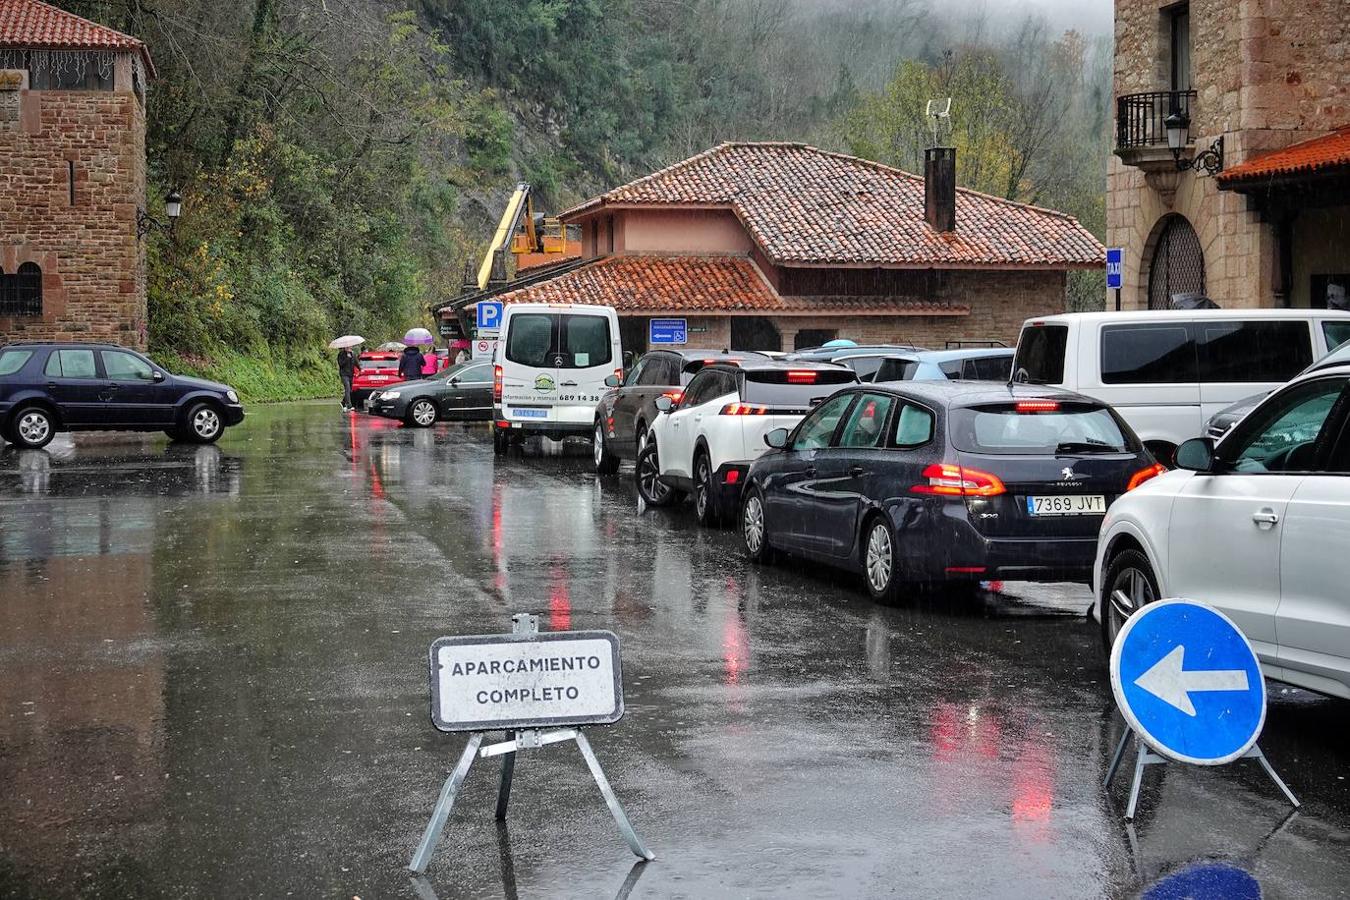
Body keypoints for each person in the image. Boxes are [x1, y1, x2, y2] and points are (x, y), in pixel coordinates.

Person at [337, 346, 357, 410]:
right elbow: (341, 364)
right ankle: (349, 405)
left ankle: (343, 402)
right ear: (345, 348)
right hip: (344, 374)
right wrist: (347, 358)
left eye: (350, 347)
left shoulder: (353, 354)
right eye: (348, 347)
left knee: (350, 390)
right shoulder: (341, 354)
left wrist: (360, 369)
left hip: (351, 374)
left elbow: (356, 362)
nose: (349, 348)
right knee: (347, 388)